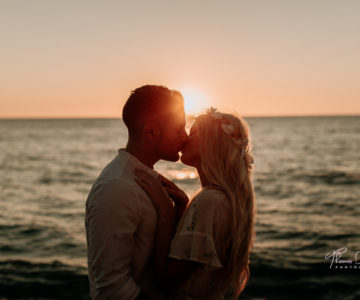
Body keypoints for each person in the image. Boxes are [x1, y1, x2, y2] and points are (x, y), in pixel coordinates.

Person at [135, 107, 256, 300]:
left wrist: (165, 212)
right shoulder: (224, 199)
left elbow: (166, 281)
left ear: (212, 142)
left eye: (193, 132)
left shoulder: (210, 201)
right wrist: (182, 208)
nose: (184, 139)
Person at [85, 85, 188, 299]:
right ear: (150, 132)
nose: (185, 137)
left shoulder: (144, 179)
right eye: (179, 129)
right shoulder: (118, 188)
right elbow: (111, 288)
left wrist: (179, 209)